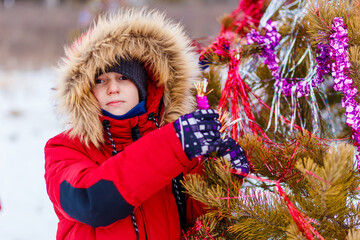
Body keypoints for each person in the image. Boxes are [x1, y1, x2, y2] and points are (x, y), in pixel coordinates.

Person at [44, 9, 249, 240]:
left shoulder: (176, 147)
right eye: (100, 80)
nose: (113, 88)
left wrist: (224, 175)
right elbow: (92, 203)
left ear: (145, 85)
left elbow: (197, 221)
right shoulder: (65, 149)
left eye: (123, 78)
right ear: (85, 90)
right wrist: (173, 144)